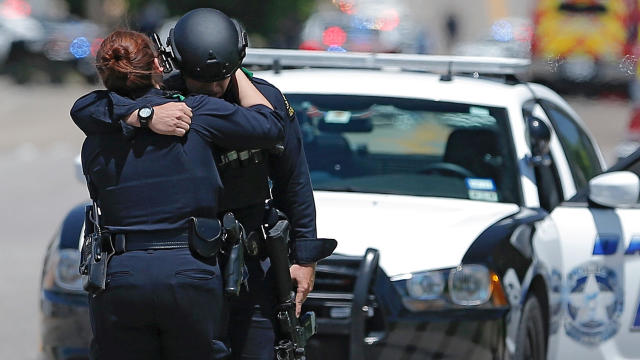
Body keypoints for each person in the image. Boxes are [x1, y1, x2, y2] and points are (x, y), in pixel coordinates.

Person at [71, 8, 337, 360]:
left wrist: (303, 258)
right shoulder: (166, 99)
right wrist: (144, 116)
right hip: (195, 262)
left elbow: (294, 180)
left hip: (250, 264)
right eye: (202, 79)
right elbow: (88, 108)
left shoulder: (262, 101)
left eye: (220, 77)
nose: (212, 88)